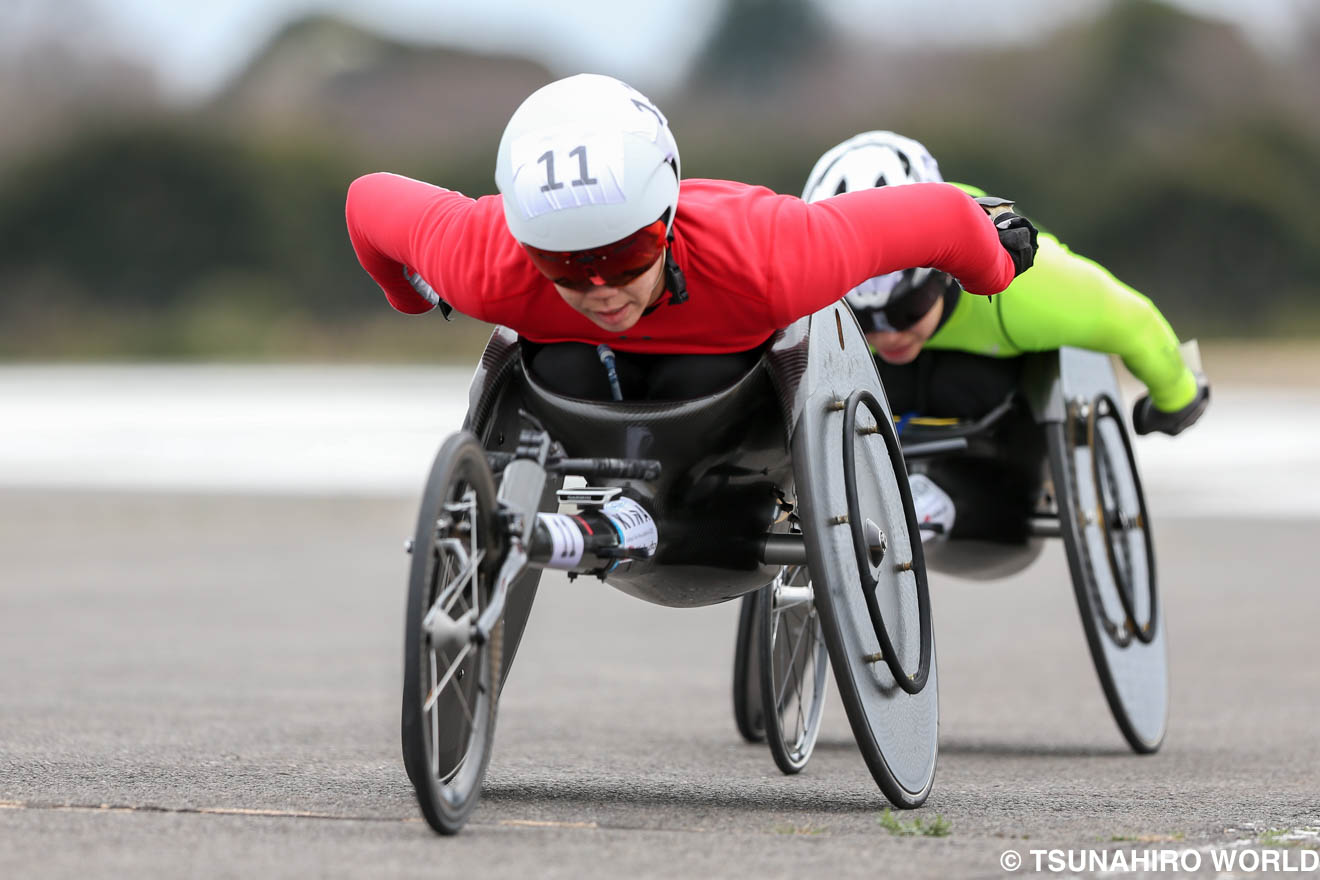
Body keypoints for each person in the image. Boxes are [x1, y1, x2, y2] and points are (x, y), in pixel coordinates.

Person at [346, 75, 1037, 402]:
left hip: (725, 388)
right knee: (565, 368)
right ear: (529, 243)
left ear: (667, 221)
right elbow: (366, 201)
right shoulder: (489, 257)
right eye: (563, 264)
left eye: (624, 255)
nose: (600, 289)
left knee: (698, 373)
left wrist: (996, 269)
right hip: (584, 385)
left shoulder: (771, 252)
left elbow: (946, 217)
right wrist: (407, 294)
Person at [802, 130, 1211, 542]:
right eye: (864, 318)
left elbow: (1135, 322)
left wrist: (1177, 397)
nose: (889, 333)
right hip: (880, 389)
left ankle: (951, 499)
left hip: (995, 414)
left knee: (977, 394)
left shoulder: (1032, 288)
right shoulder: (803, 272)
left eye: (904, 310)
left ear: (942, 271)